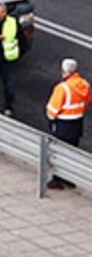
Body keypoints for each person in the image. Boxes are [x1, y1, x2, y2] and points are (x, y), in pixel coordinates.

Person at [46, 58, 88, 189]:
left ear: (64, 71)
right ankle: (69, 177)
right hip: (77, 122)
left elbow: (52, 109)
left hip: (63, 124)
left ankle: (57, 179)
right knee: (72, 150)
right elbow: (86, 102)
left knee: (59, 151)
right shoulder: (84, 84)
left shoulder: (62, 88)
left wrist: (50, 118)